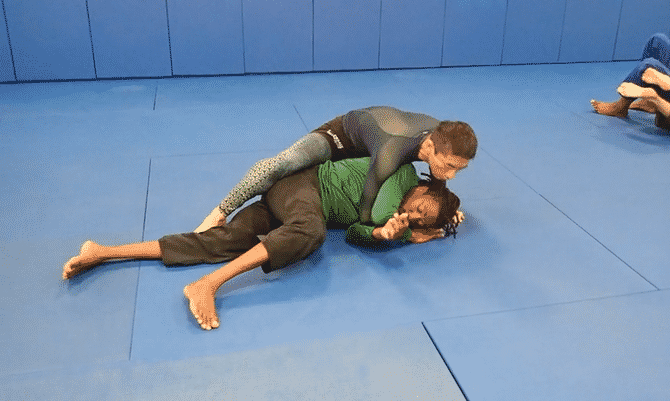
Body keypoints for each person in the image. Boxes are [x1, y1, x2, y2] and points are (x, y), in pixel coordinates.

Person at [62, 157, 462, 330]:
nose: (410, 215)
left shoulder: (399, 218)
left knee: (221, 241)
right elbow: (382, 214)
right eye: (418, 208)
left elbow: (359, 231)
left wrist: (387, 235)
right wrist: (403, 232)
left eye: (419, 220)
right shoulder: (402, 173)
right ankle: (209, 284)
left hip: (289, 204)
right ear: (425, 186)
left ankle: (103, 252)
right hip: (303, 186)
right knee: (310, 233)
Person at [194, 106, 477, 233]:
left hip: (375, 145)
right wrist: (397, 231)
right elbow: (366, 215)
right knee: (285, 163)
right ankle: (219, 212)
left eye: (459, 170)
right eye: (450, 166)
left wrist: (444, 207)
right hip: (340, 138)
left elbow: (437, 175)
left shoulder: (444, 135)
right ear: (431, 147)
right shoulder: (391, 153)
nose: (451, 175)